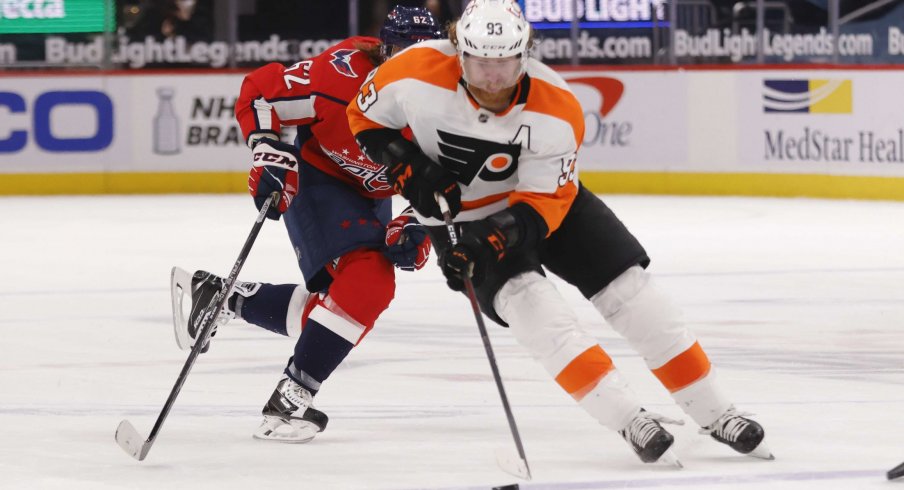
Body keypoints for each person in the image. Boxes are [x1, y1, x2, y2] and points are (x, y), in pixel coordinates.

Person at [347, 0, 773, 465]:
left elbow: (542, 205)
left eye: (505, 63)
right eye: (480, 63)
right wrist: (407, 166)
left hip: (549, 204)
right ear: (458, 51)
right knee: (537, 313)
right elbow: (363, 117)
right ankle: (629, 419)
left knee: (634, 297)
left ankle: (717, 412)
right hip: (458, 217)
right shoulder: (412, 70)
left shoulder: (558, 106)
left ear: (525, 54)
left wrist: (490, 239)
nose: (492, 77)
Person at [169, 6, 443, 443]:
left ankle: (221, 298)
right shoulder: (338, 81)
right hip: (320, 179)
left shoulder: (453, 107)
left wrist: (418, 220)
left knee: (336, 310)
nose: (412, 68)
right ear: (383, 52)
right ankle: (291, 400)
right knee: (370, 284)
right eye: (401, 54)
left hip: (373, 194)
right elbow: (260, 92)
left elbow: (453, 183)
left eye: (423, 57)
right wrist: (267, 149)